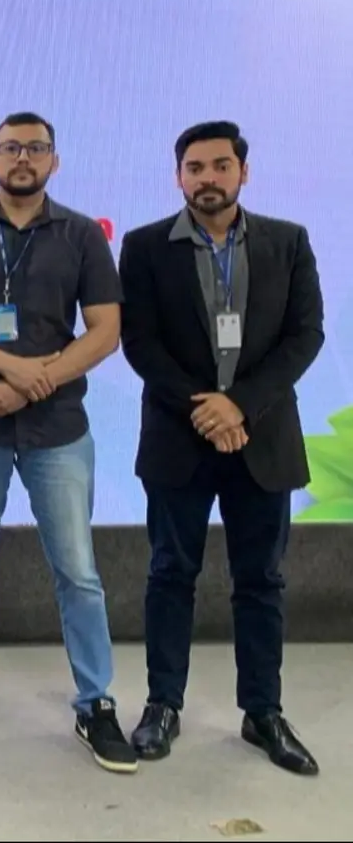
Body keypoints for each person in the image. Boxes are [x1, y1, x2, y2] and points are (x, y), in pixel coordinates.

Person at [0, 112, 137, 774]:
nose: (23, 158)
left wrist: (34, 383)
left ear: (54, 162)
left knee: (78, 571)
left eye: (36, 148)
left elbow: (105, 331)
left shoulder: (83, 234)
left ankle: (96, 702)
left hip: (57, 426)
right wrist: (10, 368)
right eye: (10, 148)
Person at [118, 121, 322, 776]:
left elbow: (305, 335)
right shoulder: (145, 246)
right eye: (195, 167)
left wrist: (241, 405)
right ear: (179, 176)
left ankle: (263, 711)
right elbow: (140, 342)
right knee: (169, 573)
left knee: (261, 579)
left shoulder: (288, 241)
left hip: (263, 437)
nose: (208, 178)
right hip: (179, 436)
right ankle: (162, 705)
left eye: (221, 165)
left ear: (243, 172)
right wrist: (205, 408)